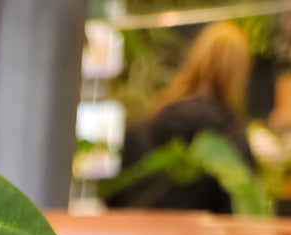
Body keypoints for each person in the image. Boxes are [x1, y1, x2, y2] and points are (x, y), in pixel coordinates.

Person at [110, 22, 256, 213]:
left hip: (139, 231)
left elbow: (116, 200)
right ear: (240, 74)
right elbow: (240, 216)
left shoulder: (143, 130)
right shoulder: (232, 145)